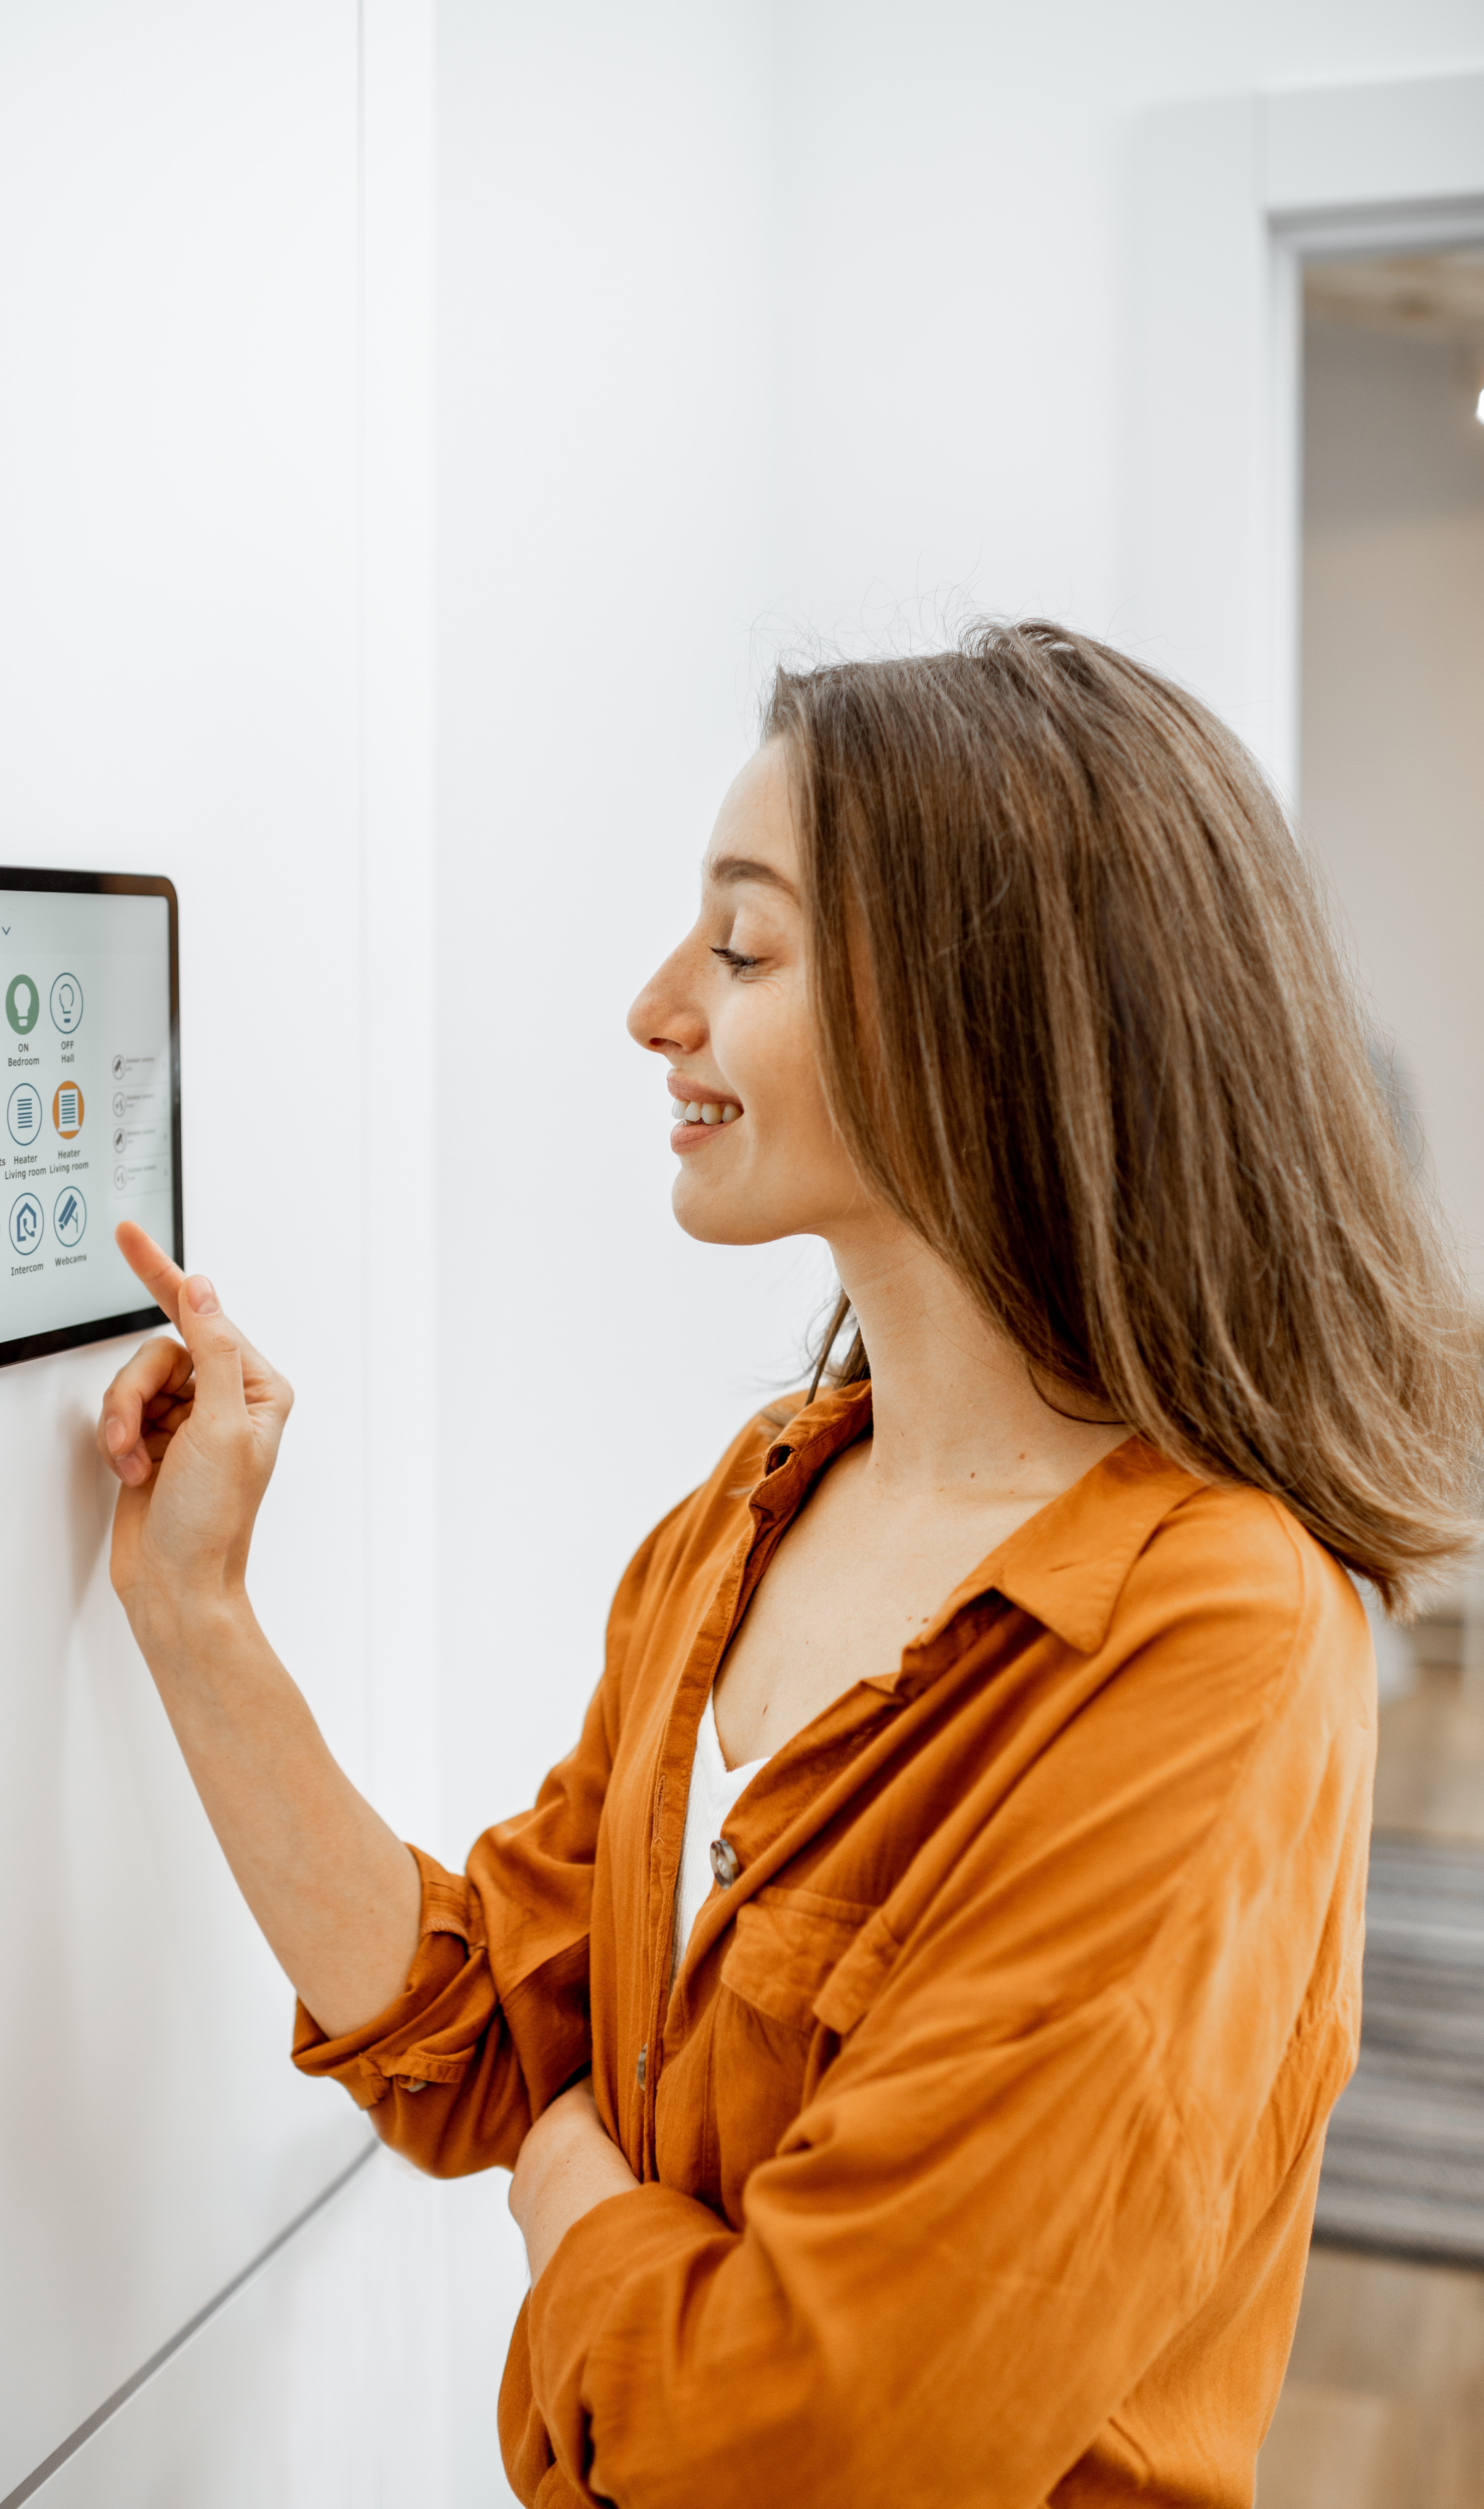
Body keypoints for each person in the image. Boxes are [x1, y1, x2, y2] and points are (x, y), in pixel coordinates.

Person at [97, 622, 1480, 2508]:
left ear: (978, 1012)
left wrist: (573, 2186)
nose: (658, 1004)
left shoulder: (1215, 1634)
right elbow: (494, 2029)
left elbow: (803, 2447)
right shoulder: (752, 1506)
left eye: (743, 947)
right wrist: (194, 1613)